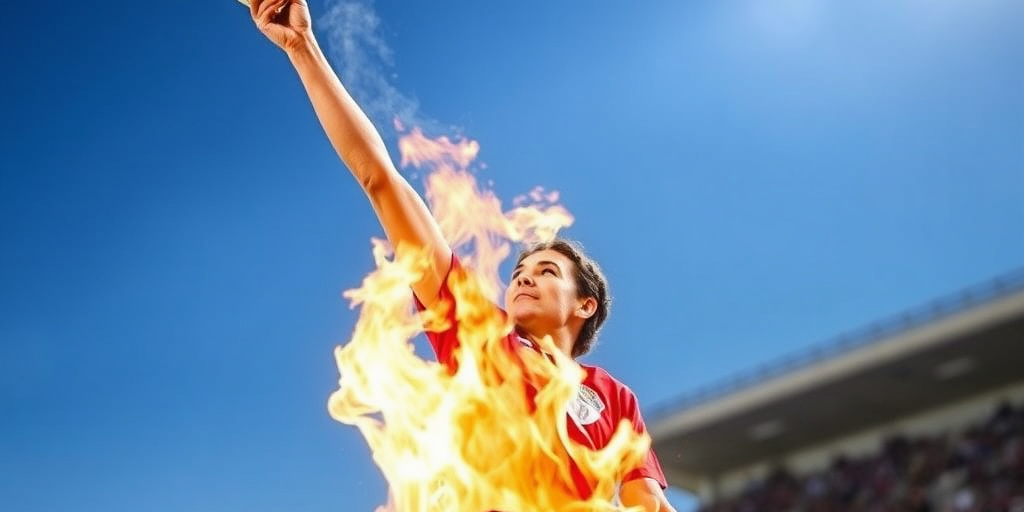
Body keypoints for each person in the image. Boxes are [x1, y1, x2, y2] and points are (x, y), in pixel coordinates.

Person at [249, 1, 678, 510]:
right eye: (519, 270)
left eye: (546, 271)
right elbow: (380, 179)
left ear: (585, 305)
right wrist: (303, 48)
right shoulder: (481, 337)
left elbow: (648, 503)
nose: (522, 278)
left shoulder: (613, 396)